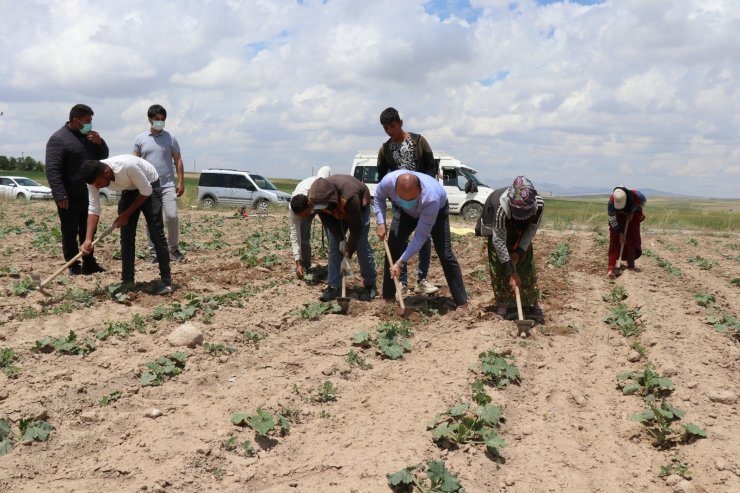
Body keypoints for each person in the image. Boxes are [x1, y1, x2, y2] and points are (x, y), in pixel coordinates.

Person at [79, 155, 172, 295]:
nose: (97, 188)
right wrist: (88, 239)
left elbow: (146, 192)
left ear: (106, 172)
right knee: (126, 236)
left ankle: (166, 281)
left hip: (149, 184)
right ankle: (127, 281)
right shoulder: (93, 179)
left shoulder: (127, 166)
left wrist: (126, 214)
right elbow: (94, 208)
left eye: (99, 184)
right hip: (129, 189)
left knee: (156, 233)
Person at [375, 171, 468, 310]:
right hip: (404, 213)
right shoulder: (388, 181)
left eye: (411, 199)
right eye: (402, 198)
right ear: (395, 189)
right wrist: (380, 221)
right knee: (393, 246)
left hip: (436, 212)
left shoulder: (432, 199)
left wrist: (400, 263)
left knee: (445, 253)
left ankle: (462, 302)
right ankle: (388, 298)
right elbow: (378, 197)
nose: (407, 202)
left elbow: (420, 237)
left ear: (420, 190)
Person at [376, 107, 439, 295]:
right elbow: (382, 177)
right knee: (398, 239)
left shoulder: (419, 142)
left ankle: (422, 279)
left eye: (392, 126)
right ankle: (401, 282)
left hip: (420, 199)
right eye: (386, 128)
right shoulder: (385, 149)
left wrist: (419, 193)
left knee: (424, 238)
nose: (390, 131)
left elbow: (430, 168)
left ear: (400, 123)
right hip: (399, 204)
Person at [45, 104, 109, 275]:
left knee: (88, 230)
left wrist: (100, 143)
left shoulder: (89, 138)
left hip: (89, 193)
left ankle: (89, 263)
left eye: (91, 121)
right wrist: (60, 194)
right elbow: (52, 170)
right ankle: (73, 265)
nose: (90, 124)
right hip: (69, 195)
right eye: (87, 121)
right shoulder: (58, 139)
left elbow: (103, 158)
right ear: (75, 121)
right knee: (70, 231)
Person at [476, 176, 544, 321]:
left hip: (521, 230)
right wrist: (510, 271)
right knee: (499, 264)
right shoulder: (501, 207)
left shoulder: (538, 205)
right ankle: (503, 305)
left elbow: (531, 230)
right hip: (496, 226)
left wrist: (519, 251)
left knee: (526, 263)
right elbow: (499, 241)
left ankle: (532, 301)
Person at [299, 175, 377, 302]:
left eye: (325, 206)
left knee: (361, 245)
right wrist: (340, 239)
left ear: (331, 199)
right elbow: (327, 220)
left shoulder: (350, 197)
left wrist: (348, 254)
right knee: (334, 247)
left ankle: (369, 285)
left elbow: (356, 229)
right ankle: (334, 286)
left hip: (358, 208)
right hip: (337, 212)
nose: (322, 209)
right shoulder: (315, 198)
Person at [133, 104, 185, 262]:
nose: (160, 122)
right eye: (157, 119)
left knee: (172, 216)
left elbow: (178, 160)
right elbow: (134, 162)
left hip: (168, 184)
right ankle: (154, 253)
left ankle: (173, 249)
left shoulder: (170, 138)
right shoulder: (140, 139)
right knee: (152, 220)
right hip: (149, 186)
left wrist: (181, 181)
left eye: (163, 119)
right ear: (150, 119)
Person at [289, 166, 332, 278]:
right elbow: (294, 234)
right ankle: (305, 265)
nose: (303, 217)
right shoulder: (294, 208)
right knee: (303, 235)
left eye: (304, 215)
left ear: (308, 207)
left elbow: (326, 168)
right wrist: (297, 261)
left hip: (319, 200)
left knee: (331, 232)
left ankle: (334, 265)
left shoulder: (320, 192)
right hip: (306, 203)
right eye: (301, 216)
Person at [607, 186, 647, 276]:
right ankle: (611, 267)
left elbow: (643, 203)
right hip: (618, 216)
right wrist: (620, 233)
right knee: (614, 239)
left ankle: (631, 267)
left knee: (631, 238)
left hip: (633, 213)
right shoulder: (611, 202)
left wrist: (634, 212)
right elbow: (612, 220)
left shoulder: (638, 196)